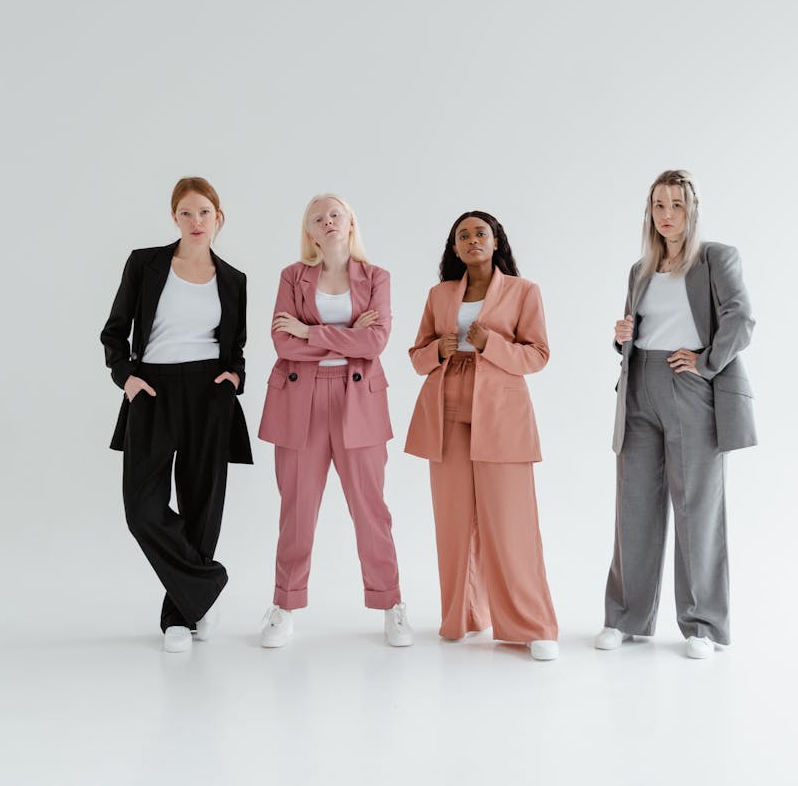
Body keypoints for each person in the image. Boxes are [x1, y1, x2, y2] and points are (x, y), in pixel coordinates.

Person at [596, 169, 756, 659]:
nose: (666, 215)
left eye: (676, 205)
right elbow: (636, 330)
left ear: (692, 209)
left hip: (689, 385)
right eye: (659, 205)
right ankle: (626, 618)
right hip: (638, 385)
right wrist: (622, 335)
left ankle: (703, 625)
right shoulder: (640, 270)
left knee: (696, 508)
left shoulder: (715, 258)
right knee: (633, 506)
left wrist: (706, 362)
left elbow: (741, 318)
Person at [100, 176, 253, 653]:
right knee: (141, 508)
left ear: (218, 217)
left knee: (201, 505)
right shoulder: (144, 264)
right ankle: (208, 583)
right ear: (174, 217)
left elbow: (236, 346)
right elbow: (114, 332)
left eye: (204, 212)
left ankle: (181, 616)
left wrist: (234, 378)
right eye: (186, 212)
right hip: (152, 389)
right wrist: (126, 377)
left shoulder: (233, 280)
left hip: (210, 392)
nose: (195, 221)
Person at [257, 194, 412, 648]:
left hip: (358, 400)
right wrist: (348, 336)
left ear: (350, 223)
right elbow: (283, 343)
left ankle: (390, 603)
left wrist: (311, 332)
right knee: (297, 509)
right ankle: (284, 605)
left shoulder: (376, 277)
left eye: (335, 214)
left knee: (370, 508)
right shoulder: (292, 276)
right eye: (317, 217)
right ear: (309, 231)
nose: (327, 221)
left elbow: (376, 341)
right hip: (298, 401)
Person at [405, 211, 559, 661]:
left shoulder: (523, 291)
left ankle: (533, 626)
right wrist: (438, 350)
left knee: (511, 525)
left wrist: (491, 343)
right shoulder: (439, 295)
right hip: (445, 410)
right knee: (453, 523)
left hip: (501, 414)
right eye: (463, 235)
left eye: (480, 233)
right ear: (454, 248)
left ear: (496, 242)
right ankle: (464, 616)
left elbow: (538, 355)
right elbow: (416, 356)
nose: (472, 240)